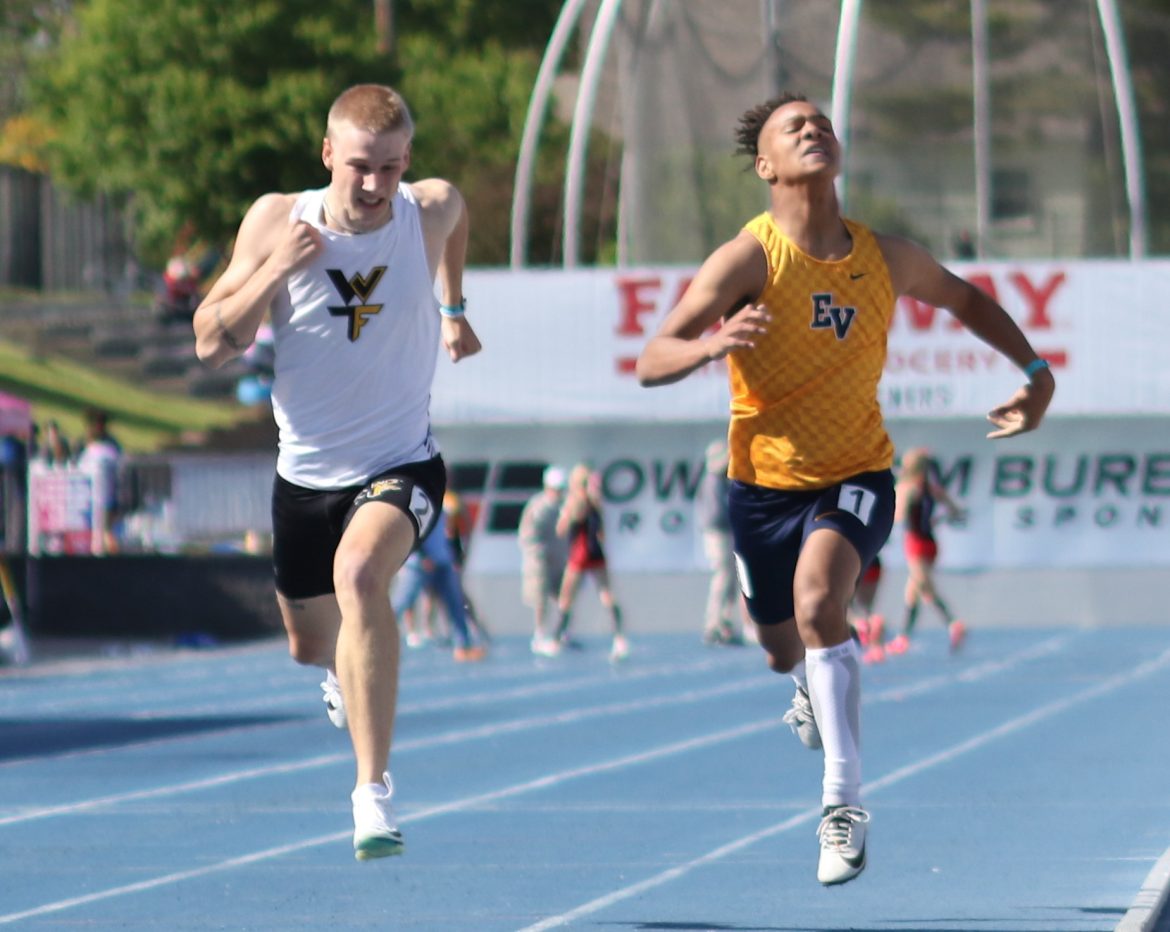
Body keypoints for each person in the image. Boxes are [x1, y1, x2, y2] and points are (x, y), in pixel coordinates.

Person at [635, 93, 1055, 886]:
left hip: (857, 474)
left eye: (821, 120)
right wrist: (712, 343)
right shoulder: (747, 260)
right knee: (776, 645)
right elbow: (652, 357)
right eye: (793, 127)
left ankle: (843, 805)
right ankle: (803, 683)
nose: (813, 128)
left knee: (822, 600)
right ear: (766, 166)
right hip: (761, 489)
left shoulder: (884, 255)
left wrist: (1035, 374)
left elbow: (965, 300)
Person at [192, 83, 482, 862]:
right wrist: (274, 269)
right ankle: (338, 672)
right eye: (359, 166)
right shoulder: (278, 219)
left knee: (361, 577)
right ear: (328, 155)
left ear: (406, 161)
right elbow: (211, 340)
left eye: (389, 168)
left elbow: (454, 225)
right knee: (309, 644)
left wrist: (453, 308)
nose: (374, 185)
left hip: (401, 465)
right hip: (305, 478)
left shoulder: (429, 208)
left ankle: (371, 795)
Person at [886, 447, 968, 656]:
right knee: (913, 591)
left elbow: (899, 516)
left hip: (915, 542)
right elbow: (955, 511)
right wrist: (934, 520)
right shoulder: (931, 488)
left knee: (926, 589)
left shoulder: (907, 488)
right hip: (930, 542)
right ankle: (903, 637)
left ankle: (953, 623)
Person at [553, 463, 629, 661]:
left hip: (580, 553)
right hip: (596, 552)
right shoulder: (596, 502)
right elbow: (602, 532)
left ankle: (557, 636)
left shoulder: (576, 501)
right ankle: (619, 636)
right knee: (607, 594)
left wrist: (566, 515)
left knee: (566, 595)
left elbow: (561, 528)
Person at [391, 509, 486, 662]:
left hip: (443, 562)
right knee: (402, 602)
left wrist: (454, 558)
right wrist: (423, 556)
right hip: (420, 565)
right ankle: (375, 638)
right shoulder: (418, 505)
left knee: (456, 604)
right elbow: (411, 532)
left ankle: (463, 646)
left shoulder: (442, 509)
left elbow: (449, 535)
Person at [697, 438, 745, 646]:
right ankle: (713, 624)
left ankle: (724, 623)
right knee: (722, 579)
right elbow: (716, 514)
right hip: (719, 534)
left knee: (730, 580)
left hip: (725, 533)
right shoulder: (713, 482)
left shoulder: (720, 481)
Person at [518, 465, 570, 656]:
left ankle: (561, 633)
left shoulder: (564, 506)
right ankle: (540, 636)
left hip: (559, 560)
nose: (559, 492)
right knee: (540, 599)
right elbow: (528, 536)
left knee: (563, 596)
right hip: (538, 561)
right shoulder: (538, 507)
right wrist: (540, 555)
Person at [75, 408, 123, 554]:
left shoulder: (111, 445)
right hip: (85, 496)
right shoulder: (83, 444)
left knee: (105, 530)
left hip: (107, 495)